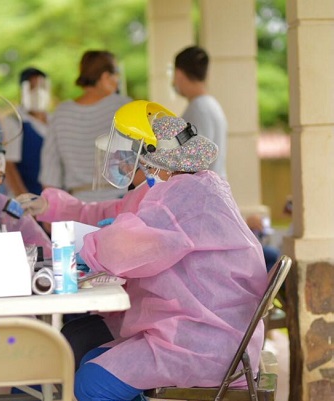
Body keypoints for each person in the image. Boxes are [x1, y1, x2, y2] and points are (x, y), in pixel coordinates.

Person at [19, 100, 267, 401]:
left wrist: (81, 249)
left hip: (204, 343)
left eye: (137, 159)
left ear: (155, 161)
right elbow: (123, 220)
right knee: (88, 359)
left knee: (91, 382)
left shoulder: (181, 196)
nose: (131, 166)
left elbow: (123, 248)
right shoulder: (197, 187)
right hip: (212, 334)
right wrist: (60, 211)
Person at [39, 50, 132, 202]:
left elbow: (50, 166)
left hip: (78, 203)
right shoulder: (124, 107)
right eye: (116, 73)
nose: (117, 80)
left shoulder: (61, 113)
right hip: (120, 200)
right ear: (105, 76)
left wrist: (50, 208)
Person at [173, 45, 228, 179]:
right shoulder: (211, 105)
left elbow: (193, 160)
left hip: (202, 194)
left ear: (179, 74)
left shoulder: (199, 108)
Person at [4, 67, 50, 197]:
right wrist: (25, 199)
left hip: (54, 199)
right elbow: (9, 166)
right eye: (33, 88)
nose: (38, 93)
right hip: (29, 197)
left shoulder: (55, 120)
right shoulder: (15, 121)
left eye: (42, 88)